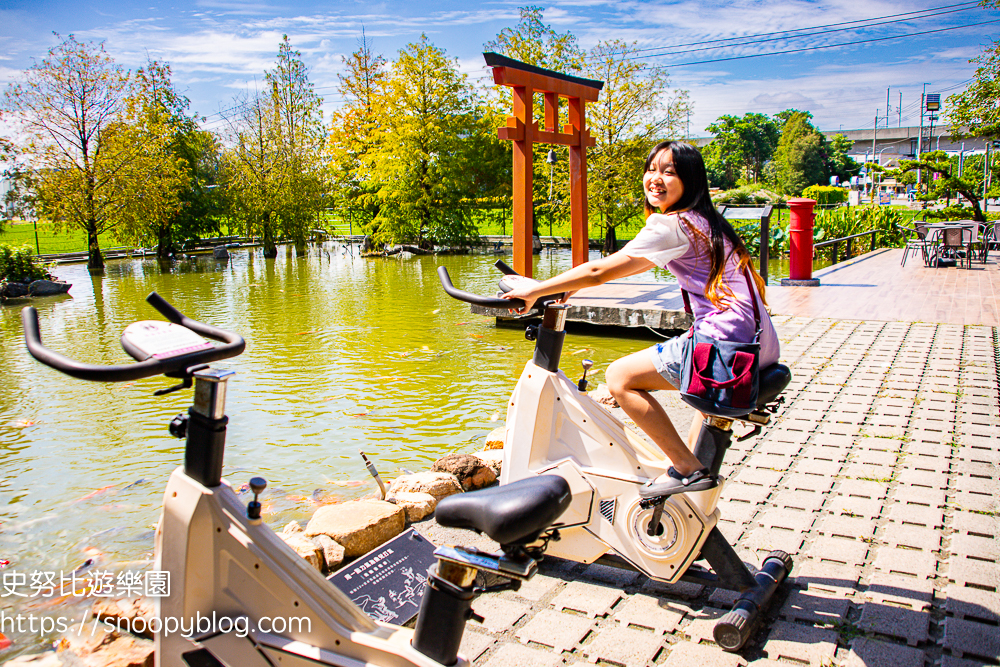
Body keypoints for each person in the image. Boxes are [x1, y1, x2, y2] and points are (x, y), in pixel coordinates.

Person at [501, 140, 779, 498]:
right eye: (651, 169)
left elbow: (601, 269)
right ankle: (694, 479)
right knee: (694, 401)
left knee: (620, 377)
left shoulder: (670, 225)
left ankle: (688, 470)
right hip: (759, 344)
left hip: (723, 347)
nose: (655, 179)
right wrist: (566, 286)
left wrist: (537, 289)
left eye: (669, 172)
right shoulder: (707, 221)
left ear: (690, 181)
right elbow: (624, 267)